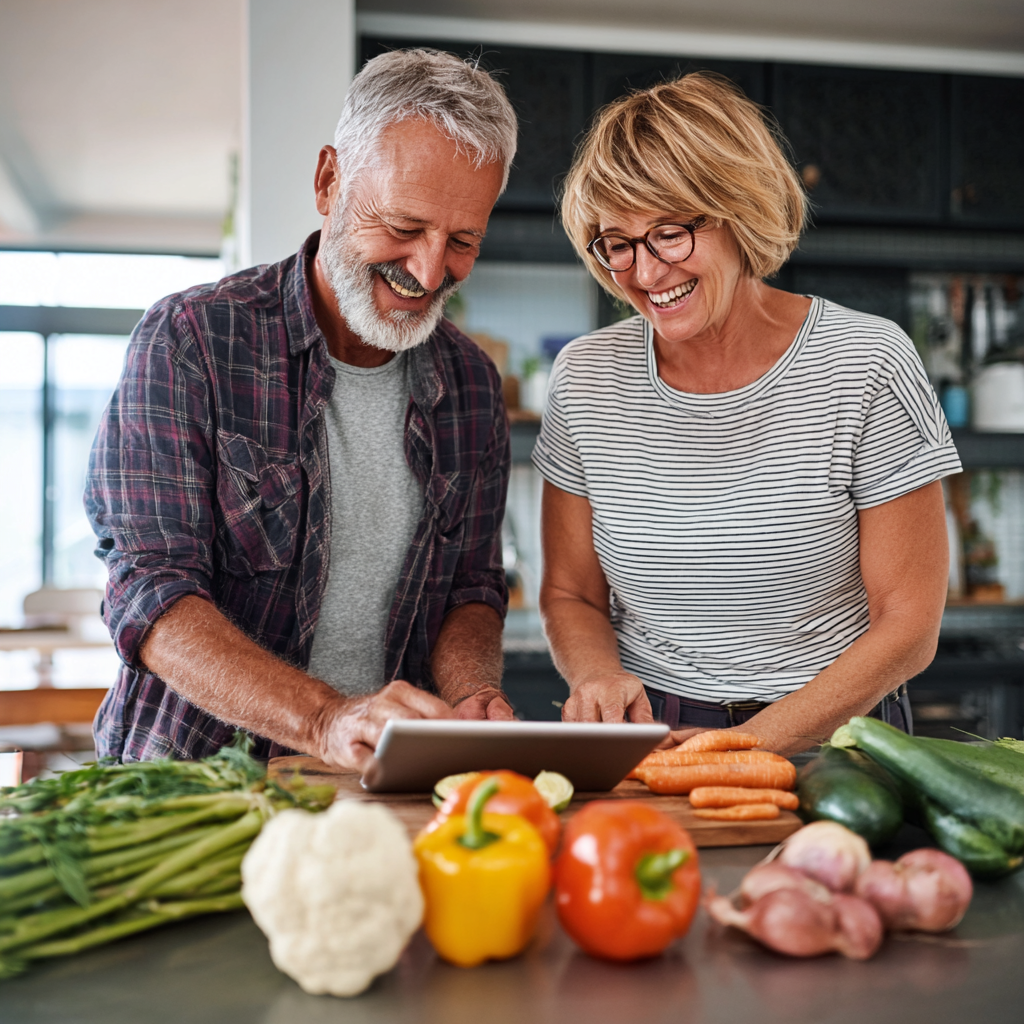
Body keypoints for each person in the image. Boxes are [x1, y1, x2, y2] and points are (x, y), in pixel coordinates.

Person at [85, 49, 520, 769]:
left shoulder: (472, 384)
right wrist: (325, 719)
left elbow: (471, 588)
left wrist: (473, 689)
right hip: (192, 788)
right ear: (329, 182)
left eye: (463, 239)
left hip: (381, 793)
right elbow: (150, 593)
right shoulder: (193, 340)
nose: (430, 270)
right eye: (405, 227)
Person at [535, 73, 961, 755]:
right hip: (656, 738)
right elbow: (570, 593)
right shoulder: (586, 379)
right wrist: (596, 674)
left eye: (670, 233)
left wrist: (752, 746)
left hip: (840, 742)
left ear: (736, 212)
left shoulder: (868, 362)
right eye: (616, 243)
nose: (645, 273)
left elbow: (909, 625)